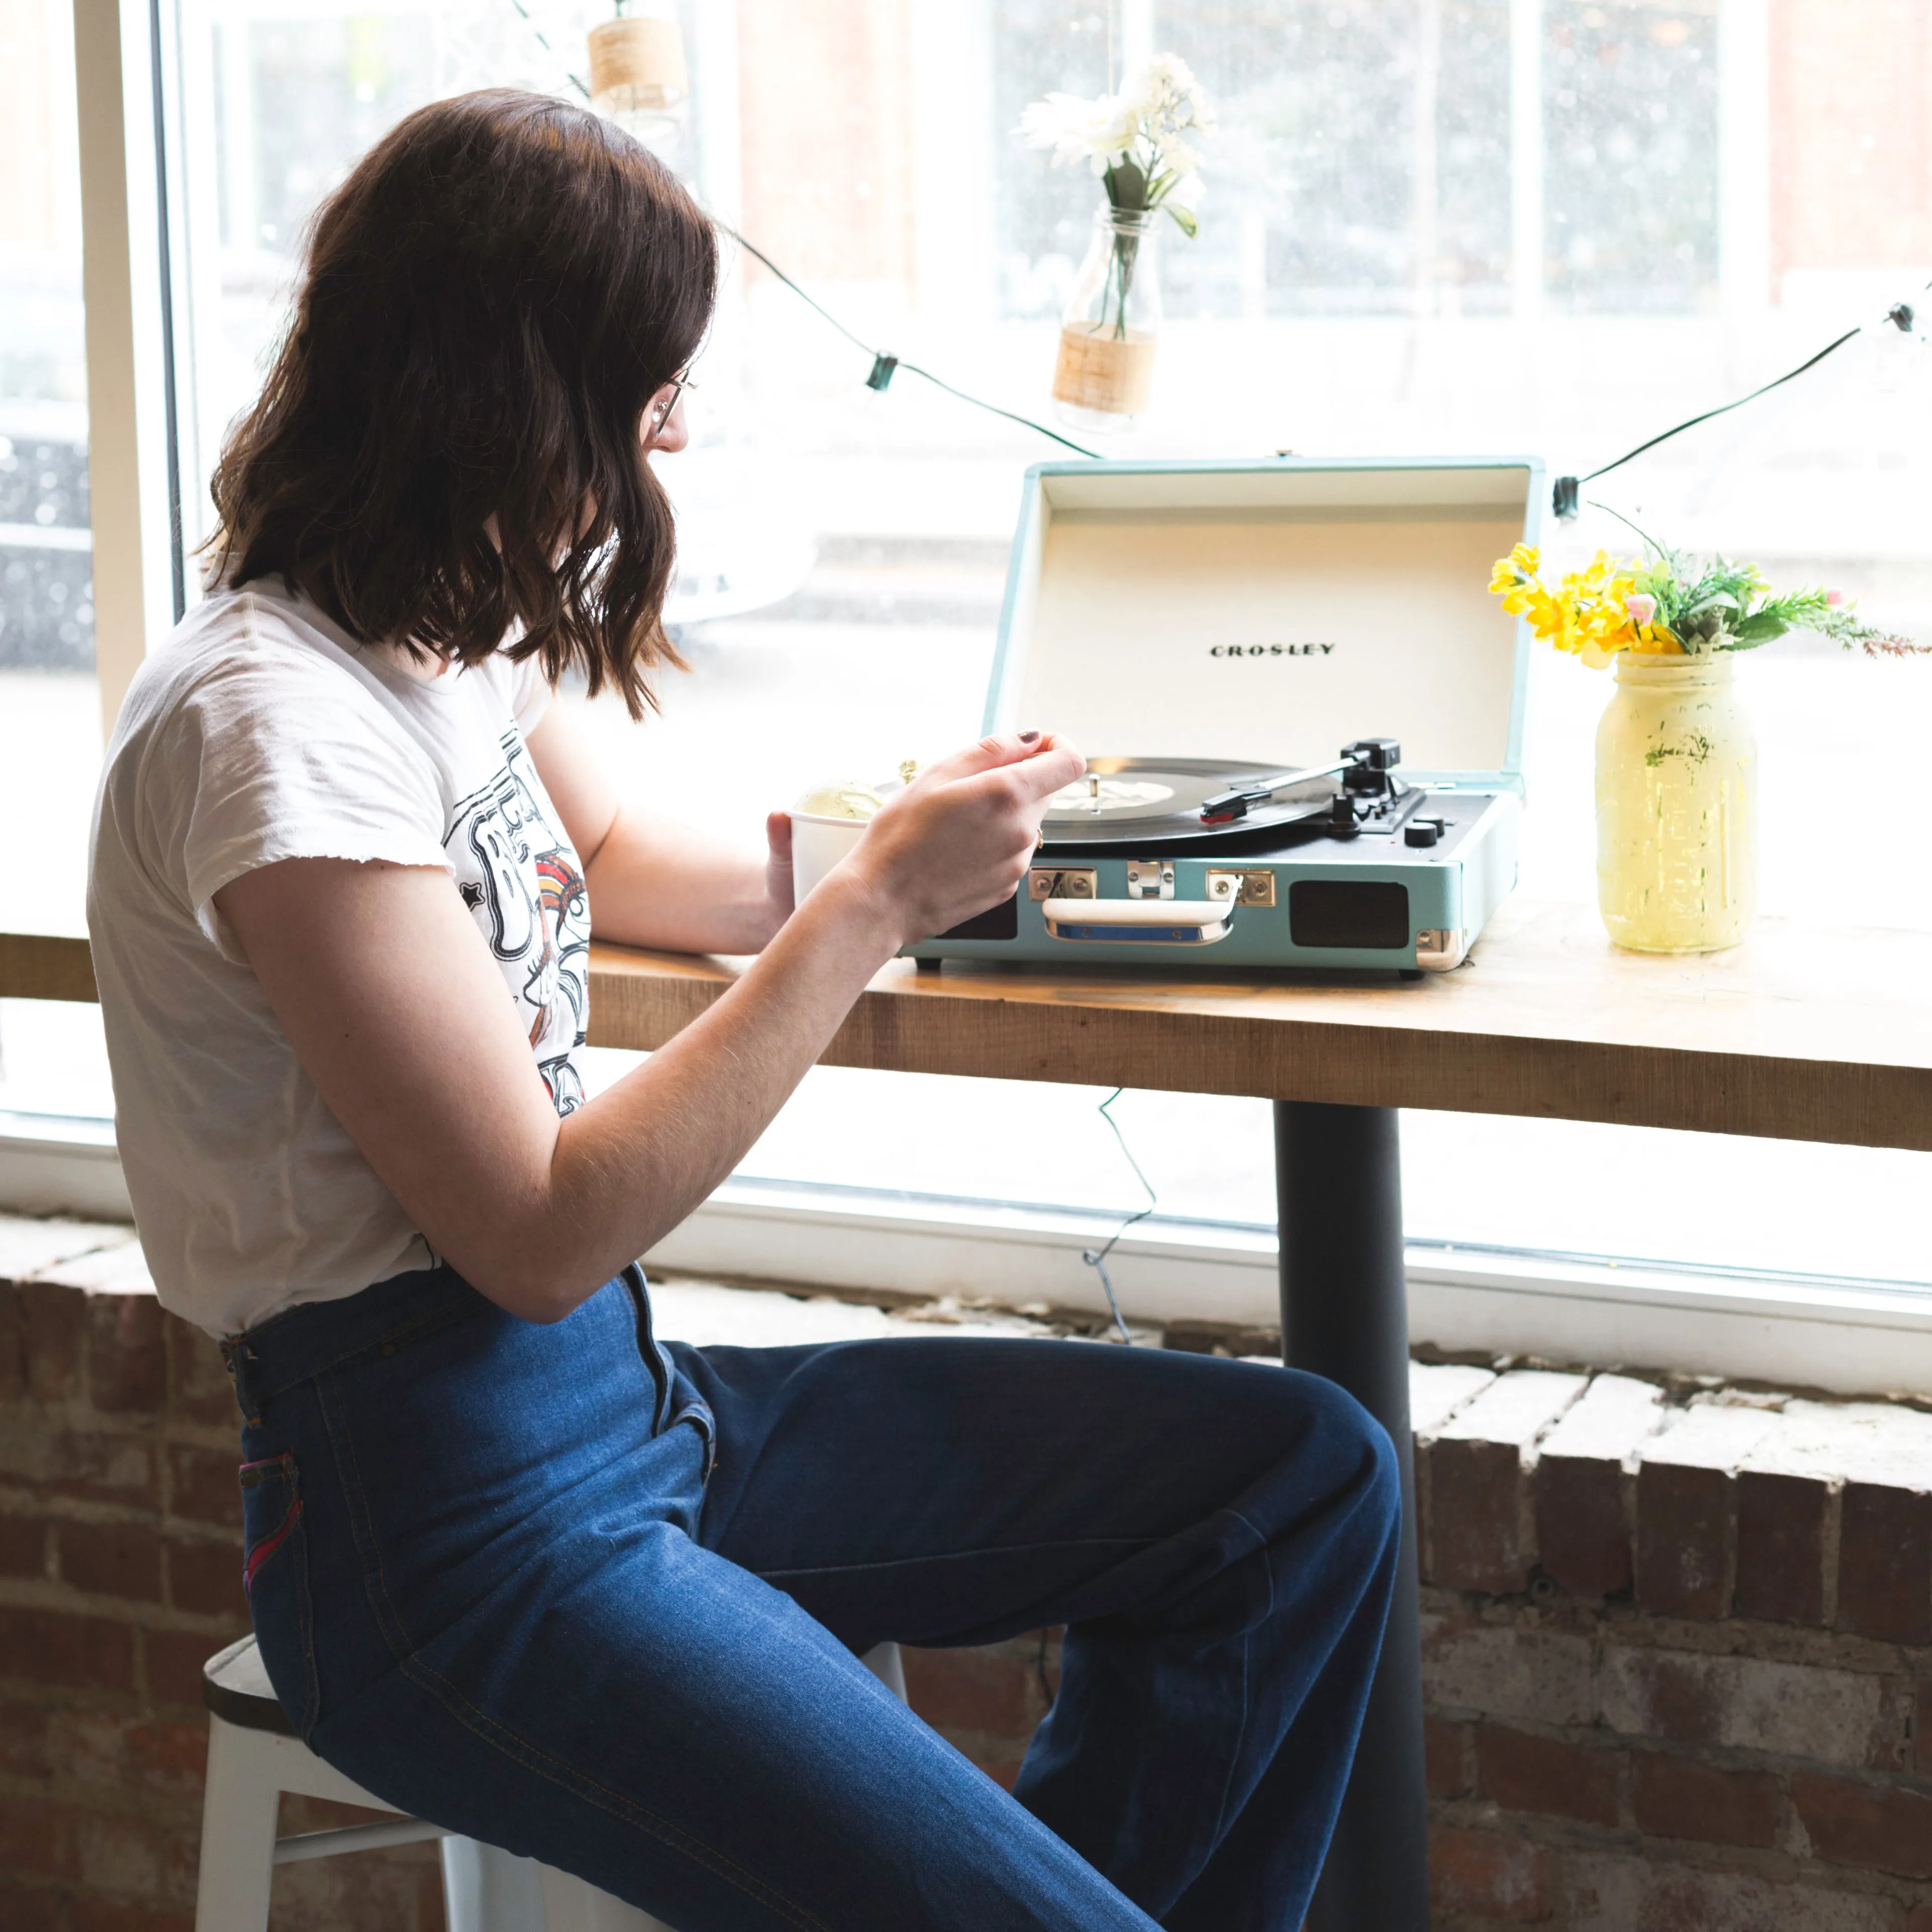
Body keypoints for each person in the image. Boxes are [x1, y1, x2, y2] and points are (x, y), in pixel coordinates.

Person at [87, 89, 1399, 1932]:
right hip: (438, 1546)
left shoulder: (435, 640)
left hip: (619, 1420)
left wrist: (914, 839)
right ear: (511, 383)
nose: (673, 427)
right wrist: (866, 911)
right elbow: (537, 1232)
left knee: (1302, 1485)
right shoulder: (272, 732)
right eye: (649, 383)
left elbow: (621, 849)